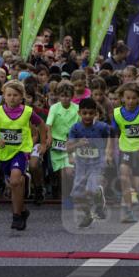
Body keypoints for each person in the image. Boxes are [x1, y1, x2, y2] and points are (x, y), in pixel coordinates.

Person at [0, 80, 48, 231]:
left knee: (16, 180)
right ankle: (23, 211)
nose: (12, 98)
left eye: (15, 95)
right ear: (4, 96)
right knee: (14, 184)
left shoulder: (28, 112)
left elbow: (42, 125)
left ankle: (16, 216)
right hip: (4, 153)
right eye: (9, 95)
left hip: (21, 151)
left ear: (22, 97)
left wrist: (43, 144)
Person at [112, 82, 139, 224]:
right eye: (127, 98)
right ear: (122, 98)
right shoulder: (117, 113)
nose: (130, 101)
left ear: (138, 98)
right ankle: (128, 211)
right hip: (126, 149)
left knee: (138, 182)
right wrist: (109, 151)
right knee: (124, 175)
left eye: (133, 98)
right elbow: (113, 133)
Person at [67, 98, 112, 227]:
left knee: (91, 189)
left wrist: (108, 152)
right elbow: (68, 147)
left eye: (91, 113)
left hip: (97, 163)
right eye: (84, 113)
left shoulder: (101, 127)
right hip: (81, 165)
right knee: (76, 195)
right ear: (79, 113)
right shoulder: (75, 128)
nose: (87, 116)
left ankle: (99, 201)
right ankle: (87, 215)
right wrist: (75, 148)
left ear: (95, 113)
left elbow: (110, 138)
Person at [46, 81, 80, 211]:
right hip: (57, 144)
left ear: (72, 96)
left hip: (71, 144)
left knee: (69, 171)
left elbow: (80, 125)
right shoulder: (54, 108)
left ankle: (69, 196)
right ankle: (65, 196)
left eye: (68, 96)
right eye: (62, 96)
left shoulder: (77, 108)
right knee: (62, 174)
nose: (65, 98)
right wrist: (49, 137)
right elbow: (48, 125)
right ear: (59, 96)